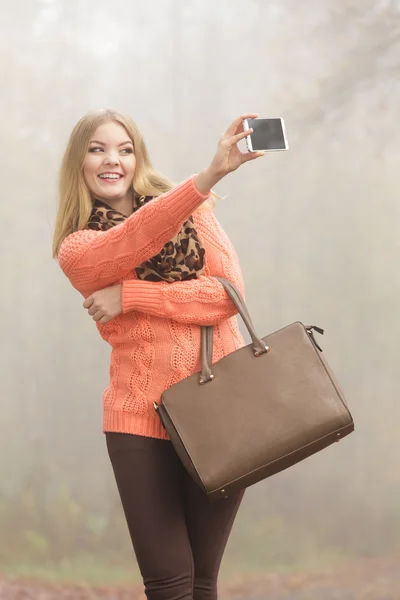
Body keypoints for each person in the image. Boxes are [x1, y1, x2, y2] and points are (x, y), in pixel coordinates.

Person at [53, 108, 264, 600]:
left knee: (203, 582)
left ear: (138, 157)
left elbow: (227, 296)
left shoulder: (195, 210)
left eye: (125, 150)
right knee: (170, 584)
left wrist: (132, 296)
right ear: (78, 163)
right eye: (98, 148)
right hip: (140, 420)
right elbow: (133, 239)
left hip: (221, 409)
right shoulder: (79, 247)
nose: (113, 160)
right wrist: (203, 181)